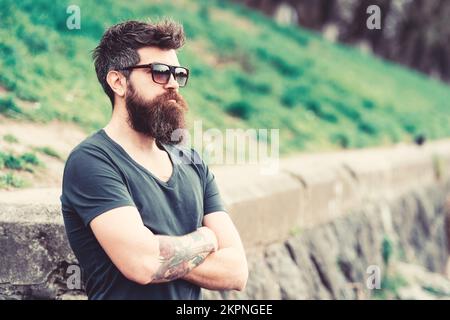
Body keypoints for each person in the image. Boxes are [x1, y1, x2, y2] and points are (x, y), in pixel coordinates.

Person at [60, 19, 248, 300]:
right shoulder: (91, 161)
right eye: (159, 72)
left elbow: (236, 271)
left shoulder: (192, 162)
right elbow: (144, 264)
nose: (173, 84)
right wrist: (206, 240)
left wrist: (162, 252)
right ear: (118, 82)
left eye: (178, 74)